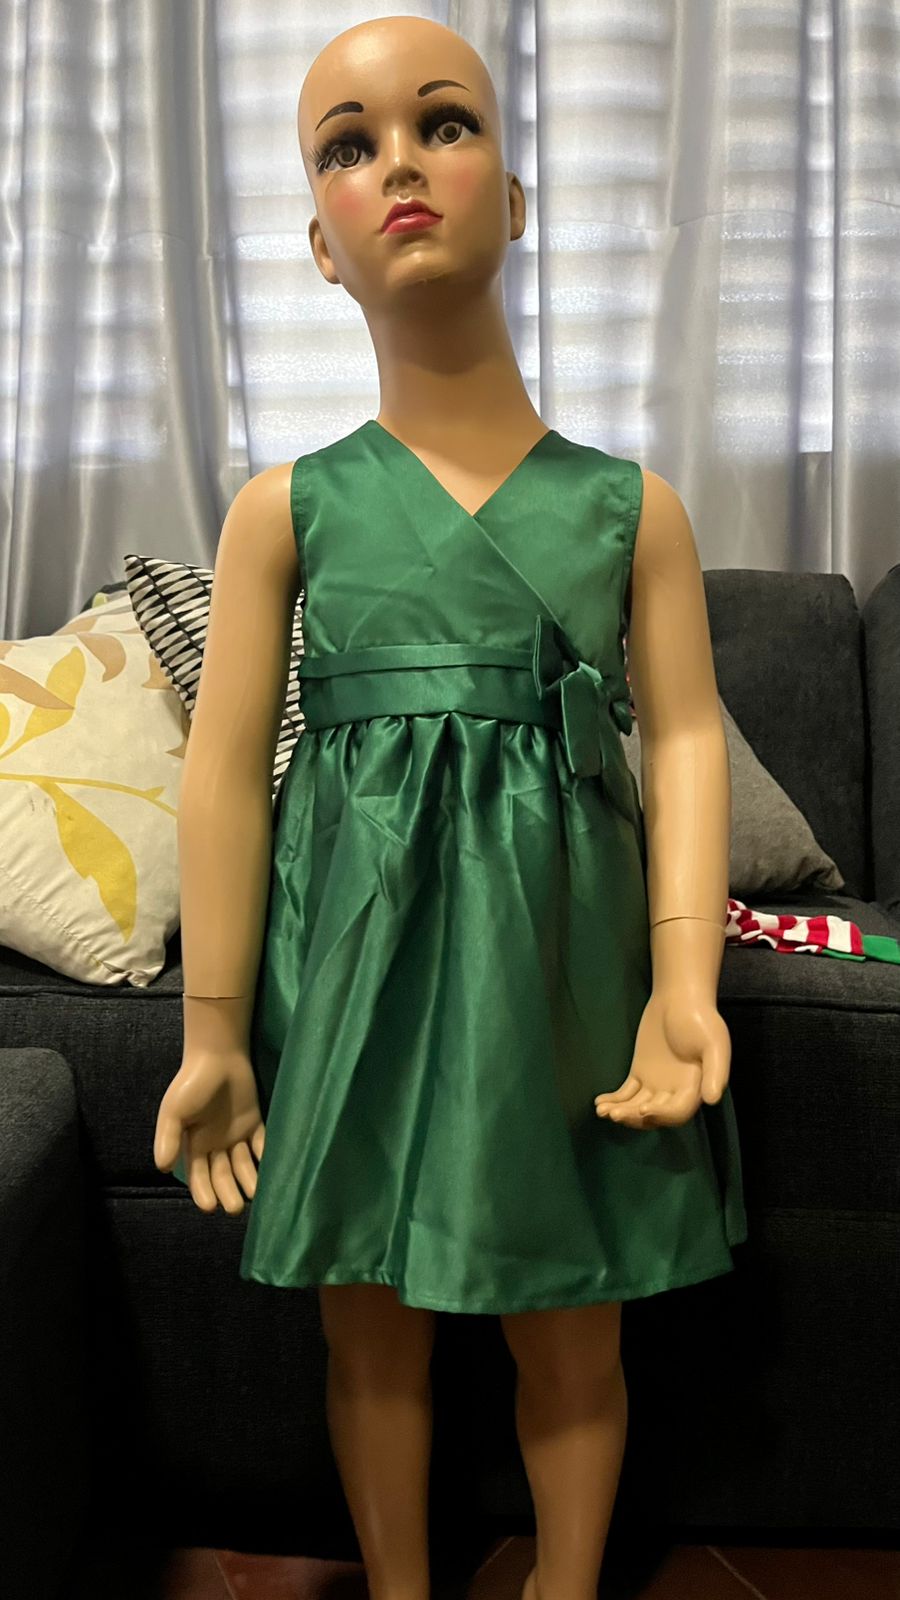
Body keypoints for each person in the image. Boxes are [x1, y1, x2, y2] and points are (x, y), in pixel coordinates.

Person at [153, 15, 747, 1600]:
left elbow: (687, 741)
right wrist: (216, 1030)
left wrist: (684, 983)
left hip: (564, 950)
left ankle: (565, 1584)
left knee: (574, 1318)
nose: (400, 165)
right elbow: (223, 771)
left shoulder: (632, 509)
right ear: (320, 243)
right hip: (354, 946)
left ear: (518, 197)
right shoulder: (286, 509)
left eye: (445, 124)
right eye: (348, 147)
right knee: (368, 1320)